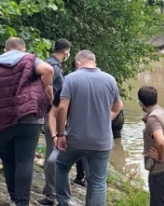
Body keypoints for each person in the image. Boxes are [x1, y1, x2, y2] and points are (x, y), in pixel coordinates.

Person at [55, 50, 123, 206]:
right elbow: (118, 105)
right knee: (98, 181)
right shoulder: (110, 80)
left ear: (78, 62)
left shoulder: (71, 79)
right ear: (94, 61)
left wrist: (60, 134)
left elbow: (62, 108)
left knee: (61, 166)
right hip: (101, 142)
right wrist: (106, 119)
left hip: (75, 139)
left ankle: (63, 202)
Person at [0, 37, 54, 206]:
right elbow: (48, 69)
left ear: (5, 50)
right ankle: (22, 203)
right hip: (29, 118)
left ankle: (14, 197)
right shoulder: (30, 60)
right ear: (23, 49)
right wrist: (43, 91)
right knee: (24, 161)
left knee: (8, 160)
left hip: (3, 119)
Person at [35, 38, 72, 206]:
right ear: (66, 52)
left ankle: (51, 190)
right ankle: (52, 193)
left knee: (53, 152)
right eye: (68, 52)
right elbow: (49, 88)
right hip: (52, 114)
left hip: (46, 112)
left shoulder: (45, 63)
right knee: (54, 152)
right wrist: (53, 105)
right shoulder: (54, 68)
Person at [138, 86, 164, 206]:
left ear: (141, 103)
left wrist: (160, 158)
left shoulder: (153, 118)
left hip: (162, 171)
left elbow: (160, 142)